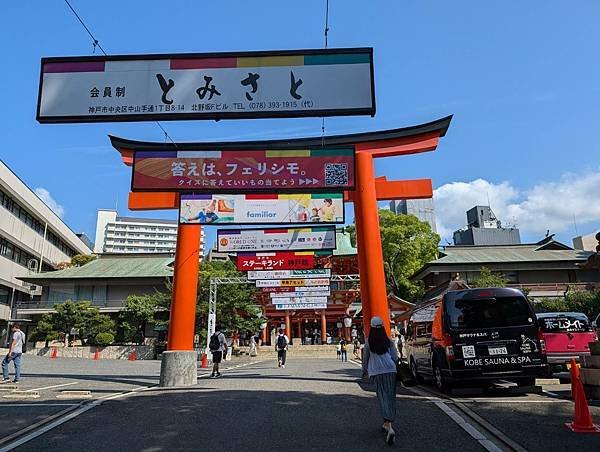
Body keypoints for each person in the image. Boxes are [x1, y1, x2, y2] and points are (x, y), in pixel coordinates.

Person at [362, 317, 398, 445]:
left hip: (376, 372)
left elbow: (365, 360)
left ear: (371, 327)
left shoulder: (368, 342)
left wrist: (364, 372)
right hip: (390, 370)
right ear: (383, 327)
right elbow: (395, 357)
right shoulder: (389, 341)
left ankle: (389, 426)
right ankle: (388, 422)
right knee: (390, 397)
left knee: (382, 397)